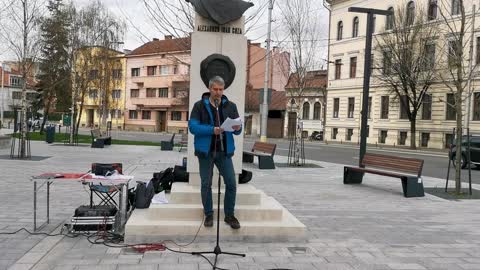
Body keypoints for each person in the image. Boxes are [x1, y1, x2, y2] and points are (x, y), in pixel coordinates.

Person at [188, 76, 242, 229]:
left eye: (221, 89)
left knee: (231, 183)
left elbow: (237, 129)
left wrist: (238, 128)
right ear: (210, 89)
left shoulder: (231, 106)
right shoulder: (199, 106)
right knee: (206, 184)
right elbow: (193, 127)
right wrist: (213, 130)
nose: (218, 92)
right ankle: (209, 214)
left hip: (224, 152)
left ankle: (229, 215)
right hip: (206, 152)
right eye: (215, 89)